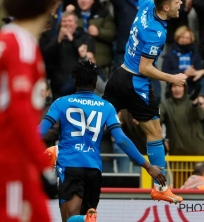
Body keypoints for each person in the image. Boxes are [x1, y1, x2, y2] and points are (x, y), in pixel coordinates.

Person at [0, 0, 63, 222]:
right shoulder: (21, 45)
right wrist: (41, 164)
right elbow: (20, 110)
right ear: (46, 6)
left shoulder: (1, 39)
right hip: (12, 157)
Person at [40, 61, 166, 222]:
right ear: (95, 83)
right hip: (94, 170)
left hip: (70, 166)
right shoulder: (106, 107)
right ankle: (85, 219)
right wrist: (148, 166)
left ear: (75, 82)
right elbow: (121, 140)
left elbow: (39, 132)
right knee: (84, 216)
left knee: (70, 219)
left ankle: (83, 219)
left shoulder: (61, 103)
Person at [102, 0, 186, 204]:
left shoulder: (147, 5)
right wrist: (173, 78)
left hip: (118, 74)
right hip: (135, 82)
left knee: (97, 119)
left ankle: (61, 151)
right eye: (177, 1)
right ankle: (160, 187)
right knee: (155, 132)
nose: (181, 3)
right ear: (166, 7)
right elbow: (145, 68)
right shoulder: (156, 33)